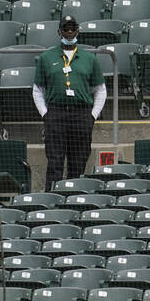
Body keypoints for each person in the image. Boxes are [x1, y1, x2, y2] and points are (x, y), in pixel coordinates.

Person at [32, 15, 107, 190]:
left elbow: (100, 89)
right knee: (55, 160)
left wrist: (92, 115)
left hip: (81, 115)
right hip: (56, 114)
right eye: (66, 28)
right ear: (59, 32)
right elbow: (38, 90)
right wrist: (46, 113)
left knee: (79, 160)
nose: (70, 32)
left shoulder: (90, 58)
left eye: (73, 28)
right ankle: (53, 197)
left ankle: (75, 197)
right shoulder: (46, 58)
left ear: (78, 30)